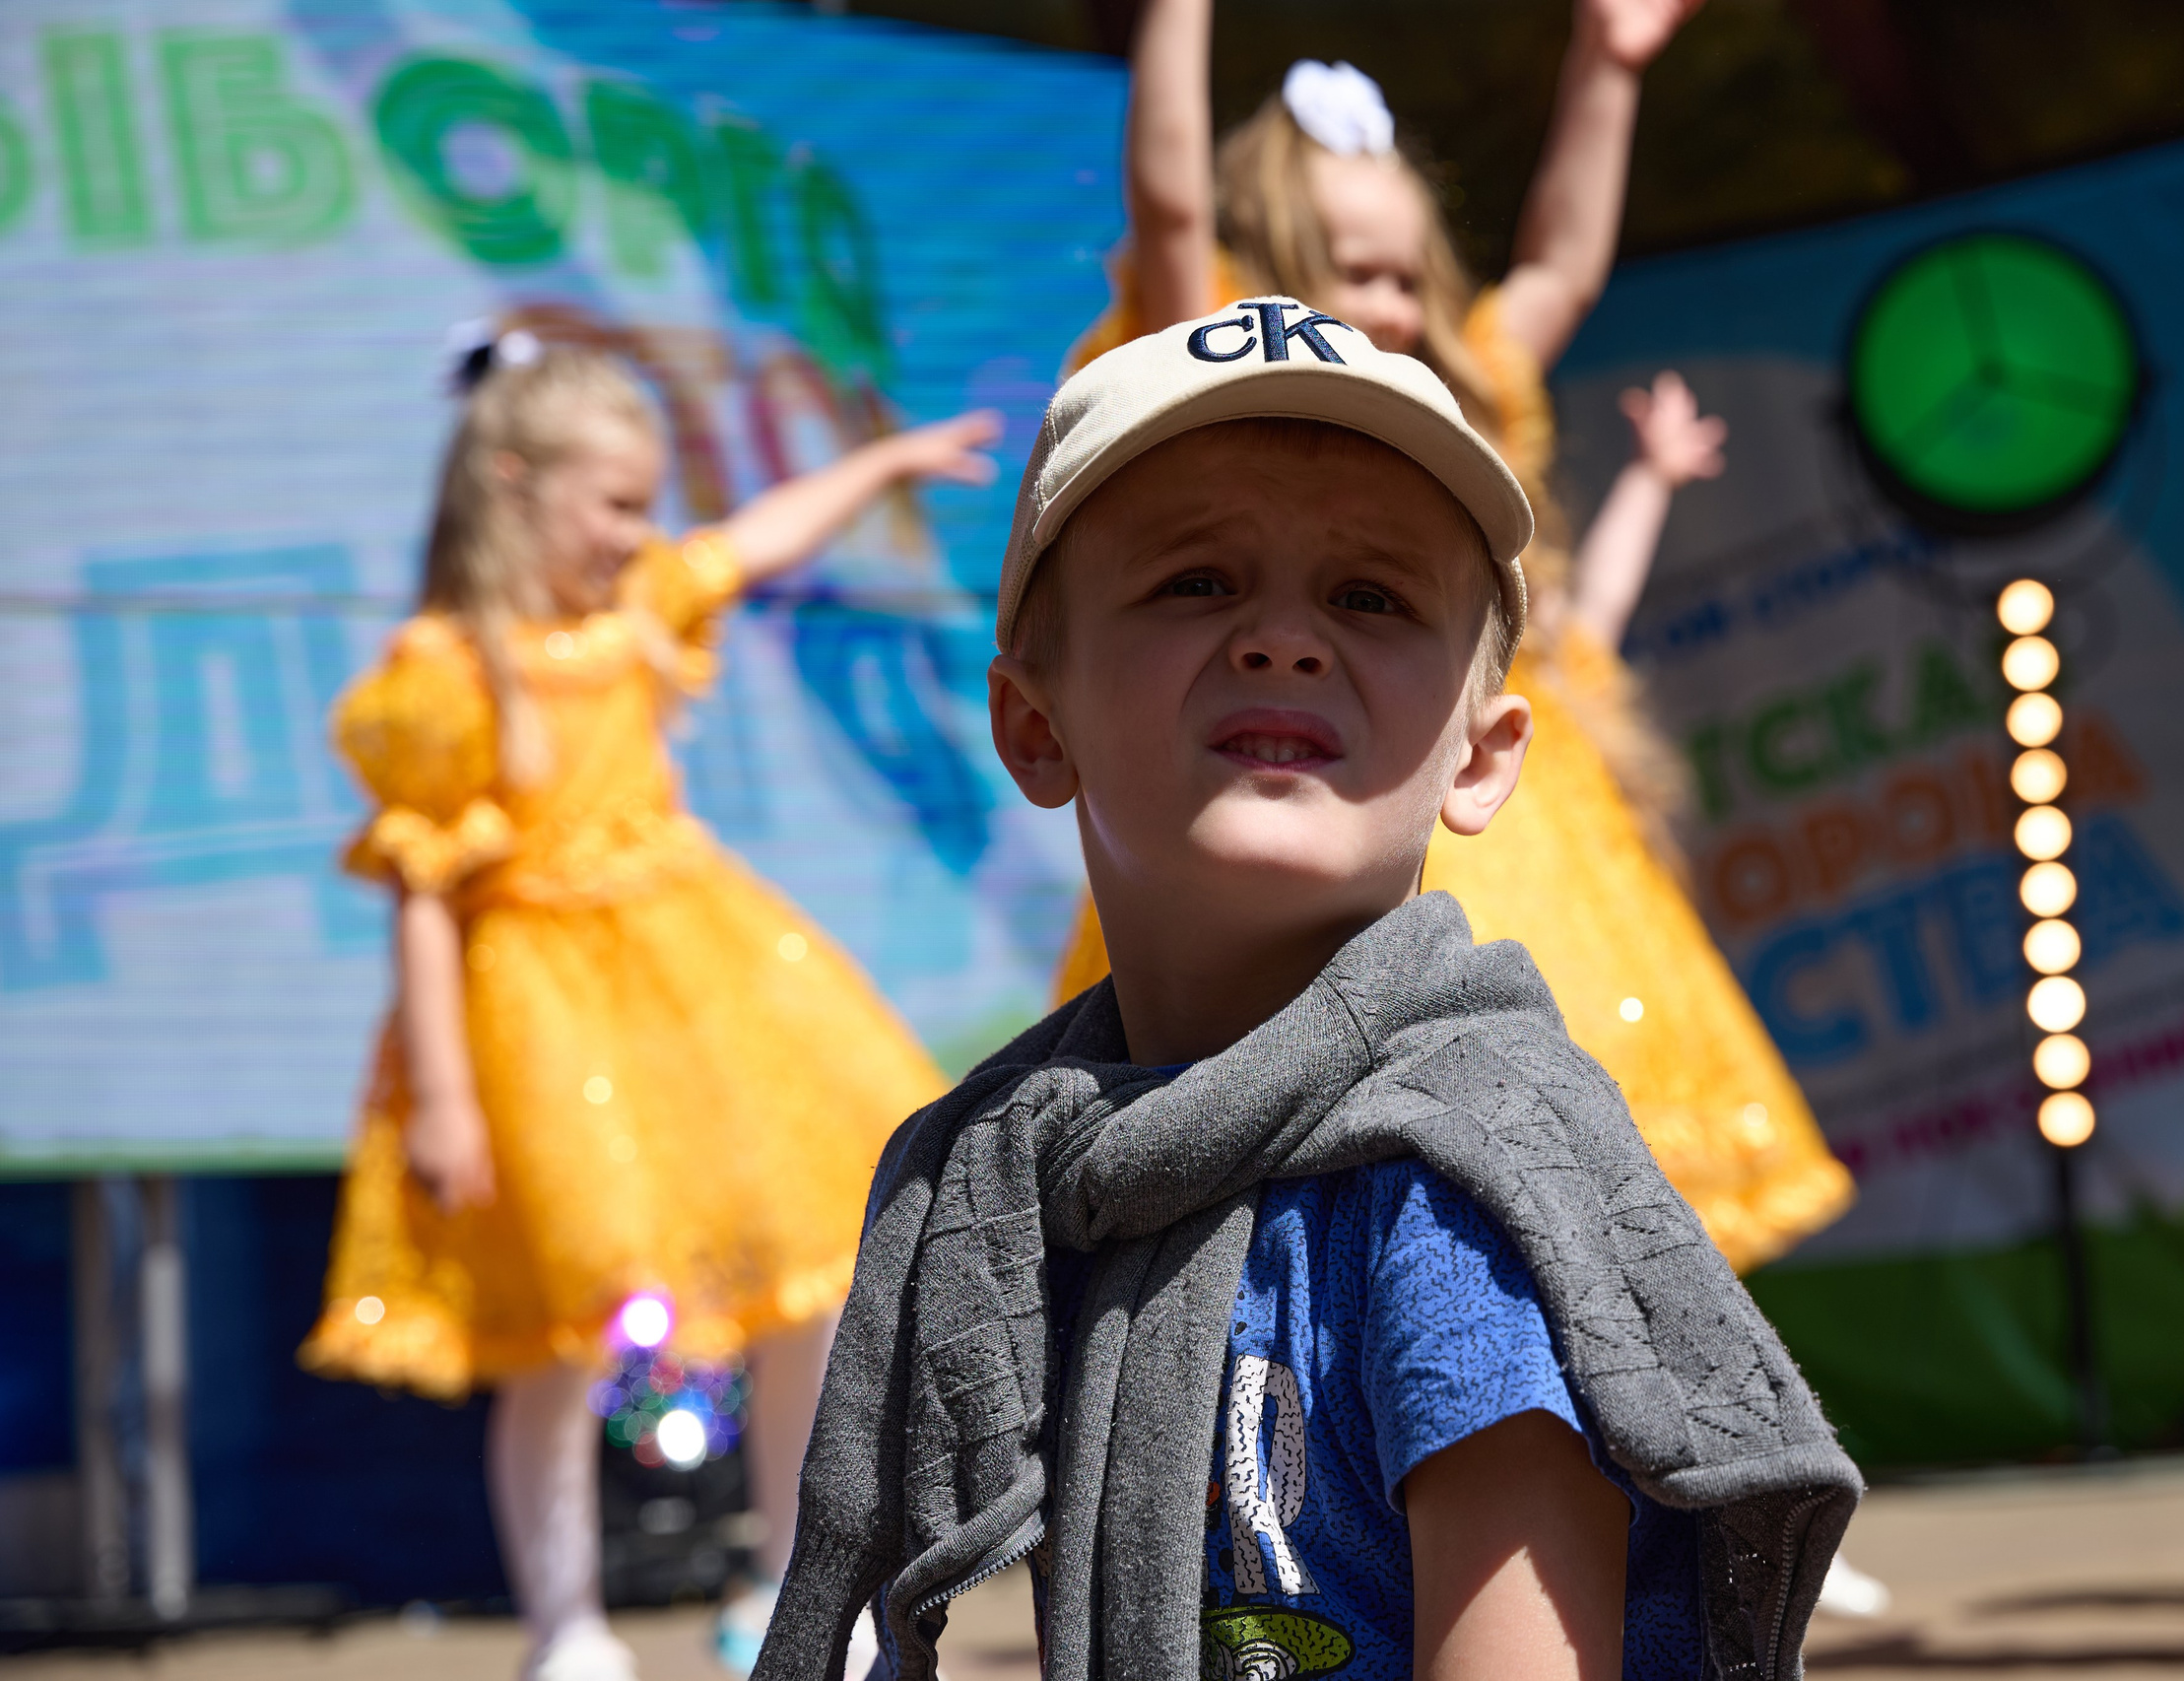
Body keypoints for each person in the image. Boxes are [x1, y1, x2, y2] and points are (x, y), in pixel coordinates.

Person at [755, 303, 1860, 1681]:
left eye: (1372, 598)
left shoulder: (1460, 1184)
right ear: (1036, 724)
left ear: (1482, 756)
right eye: (1197, 580)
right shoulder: (1028, 1178)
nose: (1284, 637)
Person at [1053, 0, 1853, 1279]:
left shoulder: (1468, 384)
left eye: (1413, 277)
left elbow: (1562, 265)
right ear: (1269, 266)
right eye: (1361, 275)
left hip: (1502, 810)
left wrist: (1605, 63)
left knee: (1554, 1140)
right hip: (1304, 793)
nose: (1402, 308)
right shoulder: (1216, 362)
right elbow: (1166, 210)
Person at [298, 336, 1000, 1681]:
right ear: (515, 486)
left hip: (695, 981)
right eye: (614, 503)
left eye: (646, 502)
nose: (639, 533)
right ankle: (565, 1623)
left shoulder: (638, 617)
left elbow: (757, 538)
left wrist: (886, 462)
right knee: (567, 1326)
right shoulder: (444, 672)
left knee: (804, 1278)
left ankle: (790, 1579)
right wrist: (445, 1093)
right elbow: (426, 894)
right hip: (540, 1018)